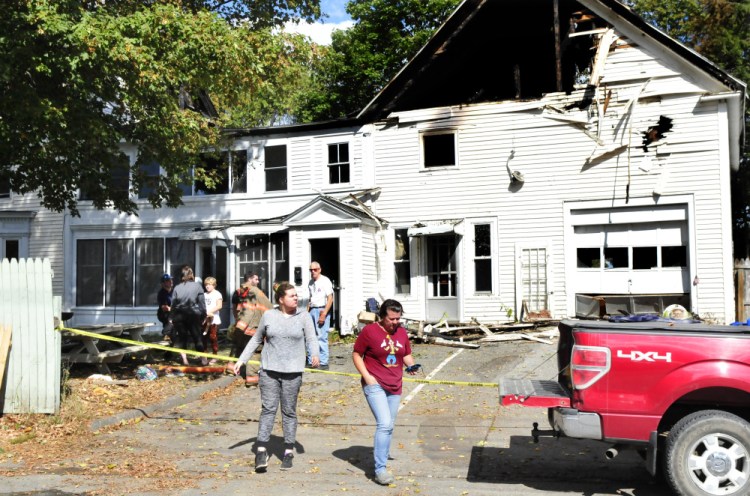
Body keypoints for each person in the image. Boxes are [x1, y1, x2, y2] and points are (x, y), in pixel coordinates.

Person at [233, 282, 320, 473]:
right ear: (281, 299)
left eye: (296, 295)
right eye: (291, 296)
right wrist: (241, 361)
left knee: (288, 411)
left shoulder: (303, 316)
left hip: (293, 372)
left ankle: (288, 450)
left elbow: (312, 338)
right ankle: (262, 450)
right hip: (269, 371)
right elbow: (256, 339)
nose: (295, 298)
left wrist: (315, 354)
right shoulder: (269, 315)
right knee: (268, 409)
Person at [352, 299, 418, 486]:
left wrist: (412, 365)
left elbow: (405, 353)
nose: (395, 322)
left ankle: (383, 452)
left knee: (390, 424)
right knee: (385, 424)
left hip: (395, 385)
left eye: (398, 319)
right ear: (382, 317)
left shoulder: (402, 332)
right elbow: (357, 354)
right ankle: (380, 470)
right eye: (392, 319)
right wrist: (367, 376)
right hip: (374, 384)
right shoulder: (369, 331)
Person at [230, 272, 273, 386]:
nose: (258, 282)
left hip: (242, 326)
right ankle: (252, 379)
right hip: (254, 327)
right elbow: (250, 310)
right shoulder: (255, 292)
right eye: (256, 279)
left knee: (238, 347)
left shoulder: (240, 291)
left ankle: (231, 369)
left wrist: (238, 325)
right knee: (255, 351)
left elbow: (236, 309)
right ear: (249, 279)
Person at [170, 265, 208, 366]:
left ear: (182, 275)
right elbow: (202, 303)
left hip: (179, 315)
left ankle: (185, 360)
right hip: (193, 315)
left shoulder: (177, 287)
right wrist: (204, 315)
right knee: (197, 337)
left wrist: (171, 317)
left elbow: (173, 304)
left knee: (182, 338)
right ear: (191, 275)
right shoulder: (197, 286)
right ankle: (203, 359)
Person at [306, 261, 334, 370]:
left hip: (322, 309)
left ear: (320, 270)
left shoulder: (325, 281)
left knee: (321, 337)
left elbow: (330, 298)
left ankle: (323, 362)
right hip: (312, 309)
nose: (313, 272)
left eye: (315, 269)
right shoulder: (310, 283)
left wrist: (324, 313)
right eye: (311, 270)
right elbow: (310, 299)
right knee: (310, 336)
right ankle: (311, 360)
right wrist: (307, 313)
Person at [202, 276, 222, 364]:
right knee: (203, 338)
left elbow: (219, 306)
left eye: (209, 284)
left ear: (214, 285)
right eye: (206, 284)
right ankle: (204, 356)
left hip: (214, 320)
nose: (207, 286)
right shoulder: (204, 295)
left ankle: (215, 355)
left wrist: (209, 312)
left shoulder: (217, 294)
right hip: (204, 320)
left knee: (213, 337)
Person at [156, 273, 174, 341]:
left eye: (171, 280)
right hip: (164, 314)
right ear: (163, 283)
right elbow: (164, 307)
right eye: (168, 280)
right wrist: (174, 309)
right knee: (170, 323)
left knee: (173, 333)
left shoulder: (173, 292)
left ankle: (168, 350)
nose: (171, 281)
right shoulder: (161, 293)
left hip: (172, 313)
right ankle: (165, 333)